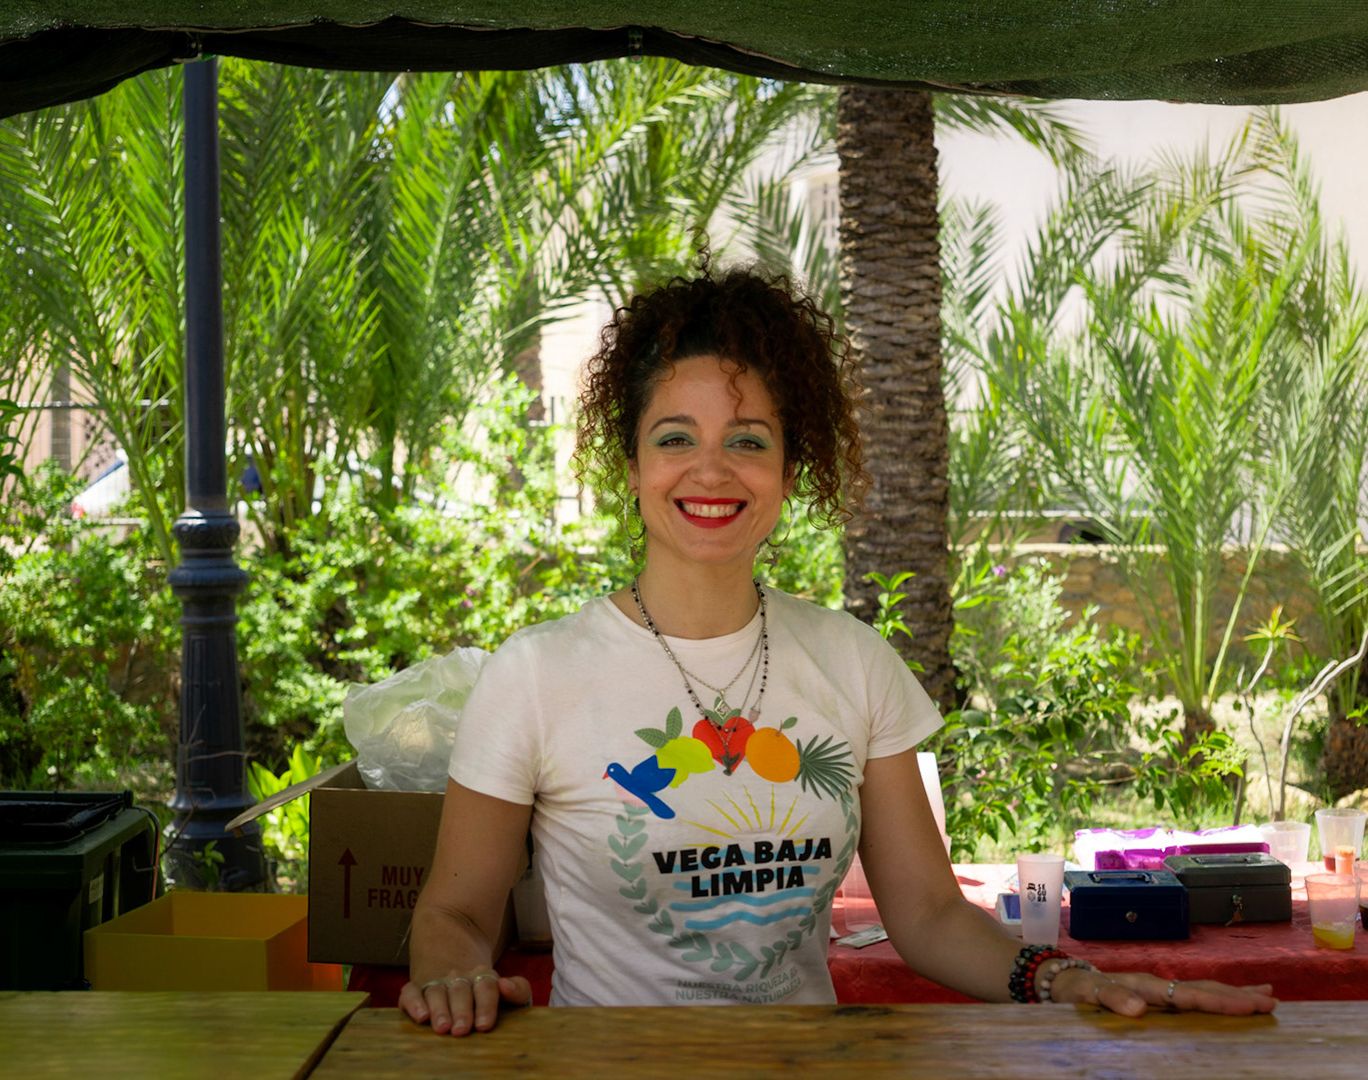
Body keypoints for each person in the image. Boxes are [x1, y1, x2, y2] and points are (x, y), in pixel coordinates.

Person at [402, 266, 1277, 1035]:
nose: (711, 470)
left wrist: (1064, 978)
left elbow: (929, 915)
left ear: (790, 472)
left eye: (748, 440)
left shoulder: (854, 663)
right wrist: (452, 974)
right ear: (631, 466)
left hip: (806, 1066)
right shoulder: (536, 676)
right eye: (674, 438)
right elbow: (455, 914)